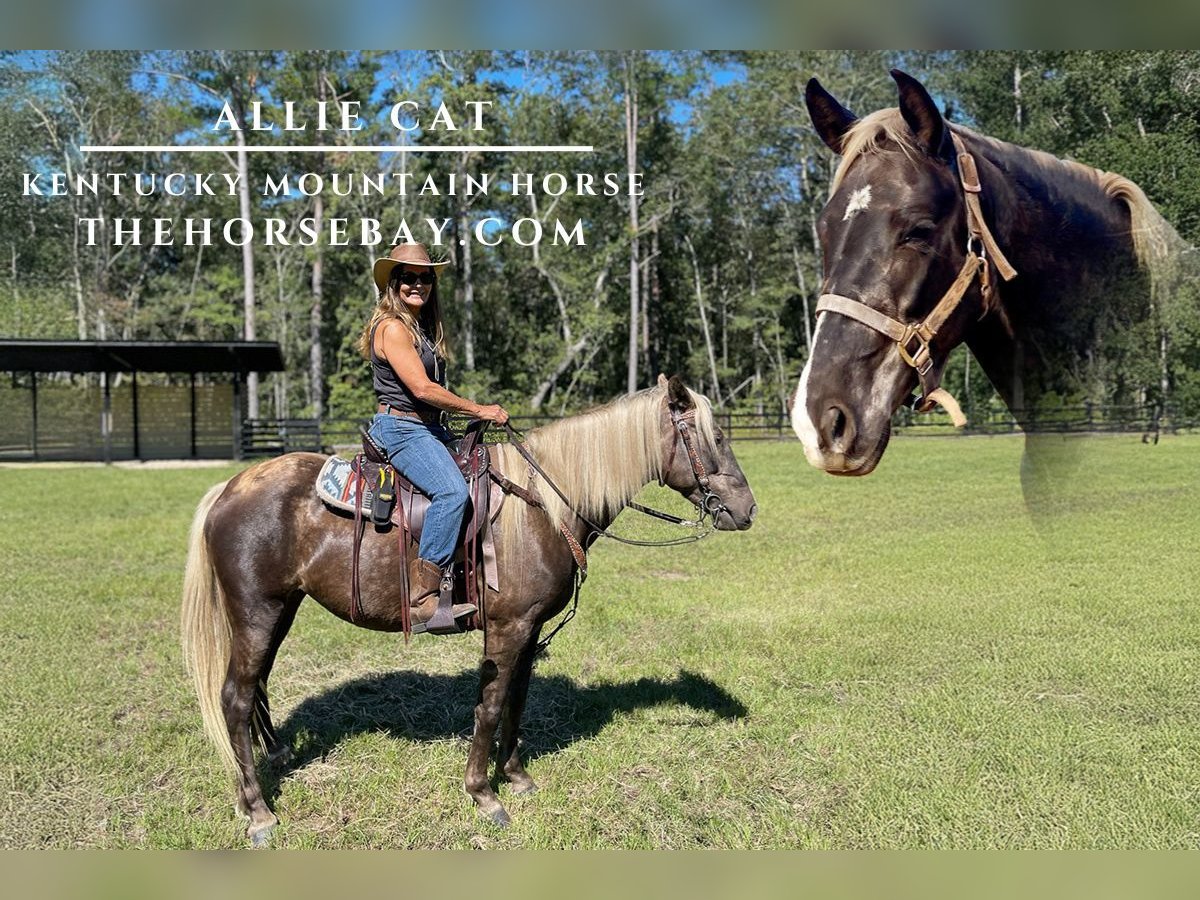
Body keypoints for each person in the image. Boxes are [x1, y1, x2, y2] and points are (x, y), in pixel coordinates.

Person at [358, 243, 509, 632]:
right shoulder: (392, 328)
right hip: (402, 428)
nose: (418, 284)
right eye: (408, 277)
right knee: (452, 493)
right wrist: (479, 410)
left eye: (425, 278)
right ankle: (423, 598)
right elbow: (422, 389)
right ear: (394, 283)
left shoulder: (421, 330)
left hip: (428, 426)